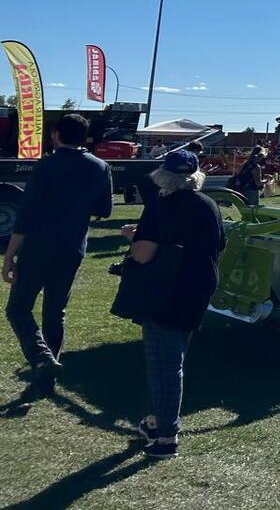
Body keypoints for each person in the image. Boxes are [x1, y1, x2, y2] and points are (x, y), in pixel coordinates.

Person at [121, 149, 226, 458]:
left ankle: (166, 436)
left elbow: (143, 253)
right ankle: (155, 421)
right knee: (171, 354)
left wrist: (132, 237)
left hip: (165, 287)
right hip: (199, 286)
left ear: (163, 175)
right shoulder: (210, 205)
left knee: (166, 364)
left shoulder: (160, 205)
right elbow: (220, 244)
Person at [3, 113, 113, 396]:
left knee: (18, 308)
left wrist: (9, 255)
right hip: (72, 248)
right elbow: (104, 209)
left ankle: (42, 358)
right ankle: (47, 374)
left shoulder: (47, 166)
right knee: (55, 311)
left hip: (39, 247)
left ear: (55, 134)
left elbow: (26, 215)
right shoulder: (100, 167)